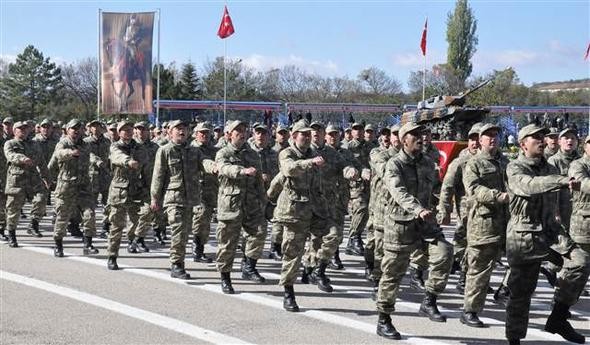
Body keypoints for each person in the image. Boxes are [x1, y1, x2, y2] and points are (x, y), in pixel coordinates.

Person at [504, 124, 583, 345]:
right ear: (522, 144)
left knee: (580, 261)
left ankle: (558, 317)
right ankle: (514, 340)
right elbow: (529, 186)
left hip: (551, 233)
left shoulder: (548, 167)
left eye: (542, 137)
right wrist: (561, 180)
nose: (541, 140)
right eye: (535, 137)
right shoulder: (514, 168)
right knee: (521, 294)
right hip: (524, 237)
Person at [376, 122, 453, 340]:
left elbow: (436, 188)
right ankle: (384, 319)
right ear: (403, 140)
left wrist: (445, 206)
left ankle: (429, 300)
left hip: (425, 224)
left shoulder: (429, 163)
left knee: (445, 253)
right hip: (400, 225)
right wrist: (417, 209)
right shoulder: (394, 164)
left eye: (421, 134)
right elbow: (398, 191)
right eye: (414, 135)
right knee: (392, 274)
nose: (420, 138)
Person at [151, 120, 216, 278]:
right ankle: (177, 265)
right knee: (179, 231)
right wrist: (155, 198)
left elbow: (204, 162)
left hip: (191, 199)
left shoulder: (194, 151)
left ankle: (179, 260)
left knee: (185, 233)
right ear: (170, 132)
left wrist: (214, 166)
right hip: (173, 198)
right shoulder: (165, 150)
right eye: (178, 129)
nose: (181, 131)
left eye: (184, 129)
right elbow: (158, 176)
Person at [273, 119, 326, 311]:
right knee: (291, 252)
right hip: (294, 212)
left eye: (308, 134)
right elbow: (288, 169)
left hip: (314, 210)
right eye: (303, 134)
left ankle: (310, 270)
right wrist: (309, 162)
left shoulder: (314, 153)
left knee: (323, 241)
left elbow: (318, 185)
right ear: (294, 136)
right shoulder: (287, 153)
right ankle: (288, 292)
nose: (307, 137)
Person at [460, 123, 509, 327]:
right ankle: (470, 310)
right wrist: (498, 197)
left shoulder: (505, 162)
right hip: (483, 223)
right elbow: (474, 189)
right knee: (480, 269)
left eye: (495, 135)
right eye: (488, 135)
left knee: (521, 259)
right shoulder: (474, 163)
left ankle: (504, 291)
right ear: (480, 140)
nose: (493, 138)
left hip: (507, 221)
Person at [214, 120, 267, 293]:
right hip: (230, 206)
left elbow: (259, 181)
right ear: (229, 134)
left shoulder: (252, 155)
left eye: (244, 130)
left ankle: (249, 266)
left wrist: (263, 202)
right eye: (237, 131)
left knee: (259, 233)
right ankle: (225, 277)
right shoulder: (223, 153)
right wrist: (241, 171)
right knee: (228, 244)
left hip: (251, 204)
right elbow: (224, 168)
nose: (241, 133)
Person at [437, 122, 482, 293]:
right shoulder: (461, 161)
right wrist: (445, 210)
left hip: (488, 211)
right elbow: (447, 186)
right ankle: (464, 277)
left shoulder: (494, 159)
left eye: (477, 139)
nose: (474, 143)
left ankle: (475, 277)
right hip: (466, 209)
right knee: (465, 243)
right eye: (471, 139)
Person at [50, 119, 98, 257]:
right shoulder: (63, 143)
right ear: (67, 130)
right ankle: (58, 245)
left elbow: (90, 157)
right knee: (63, 216)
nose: (76, 131)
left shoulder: (85, 145)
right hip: (66, 187)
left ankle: (88, 244)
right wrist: (70, 153)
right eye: (73, 128)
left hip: (83, 186)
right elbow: (58, 154)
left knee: (89, 214)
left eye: (79, 128)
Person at [105, 121, 150, 268]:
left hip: (136, 190)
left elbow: (146, 168)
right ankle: (112, 255)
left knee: (141, 218)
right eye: (124, 130)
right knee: (117, 225)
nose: (128, 132)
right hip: (119, 190)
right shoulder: (115, 146)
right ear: (119, 132)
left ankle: (133, 240)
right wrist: (129, 161)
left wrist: (150, 188)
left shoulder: (140, 148)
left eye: (130, 129)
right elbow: (117, 156)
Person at [4, 121, 49, 247]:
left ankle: (33, 224)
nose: (23, 131)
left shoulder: (34, 144)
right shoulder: (10, 143)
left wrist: (47, 178)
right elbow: (10, 155)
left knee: (41, 199)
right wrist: (23, 158)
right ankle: (12, 235)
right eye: (20, 129)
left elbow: (42, 162)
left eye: (25, 129)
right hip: (16, 181)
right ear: (14, 131)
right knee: (14, 210)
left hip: (33, 180)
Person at [190, 122, 219, 262]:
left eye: (207, 132)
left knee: (205, 220)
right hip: (195, 189)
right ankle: (196, 248)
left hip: (211, 189)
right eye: (201, 132)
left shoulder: (214, 150)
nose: (204, 135)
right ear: (196, 134)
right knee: (199, 218)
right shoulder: (191, 149)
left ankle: (199, 246)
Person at [344, 122, 371, 256]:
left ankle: (355, 239)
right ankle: (354, 237)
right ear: (351, 132)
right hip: (354, 185)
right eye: (355, 130)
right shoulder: (348, 147)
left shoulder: (370, 146)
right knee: (360, 209)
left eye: (361, 129)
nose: (358, 132)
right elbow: (346, 164)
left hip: (369, 185)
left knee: (365, 213)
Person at [84, 120, 112, 238]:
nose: (95, 129)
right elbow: (88, 155)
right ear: (90, 129)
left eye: (98, 126)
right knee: (91, 204)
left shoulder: (107, 141)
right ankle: (90, 228)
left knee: (108, 203)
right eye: (93, 126)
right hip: (92, 177)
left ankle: (106, 226)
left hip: (105, 176)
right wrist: (97, 161)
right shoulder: (85, 142)